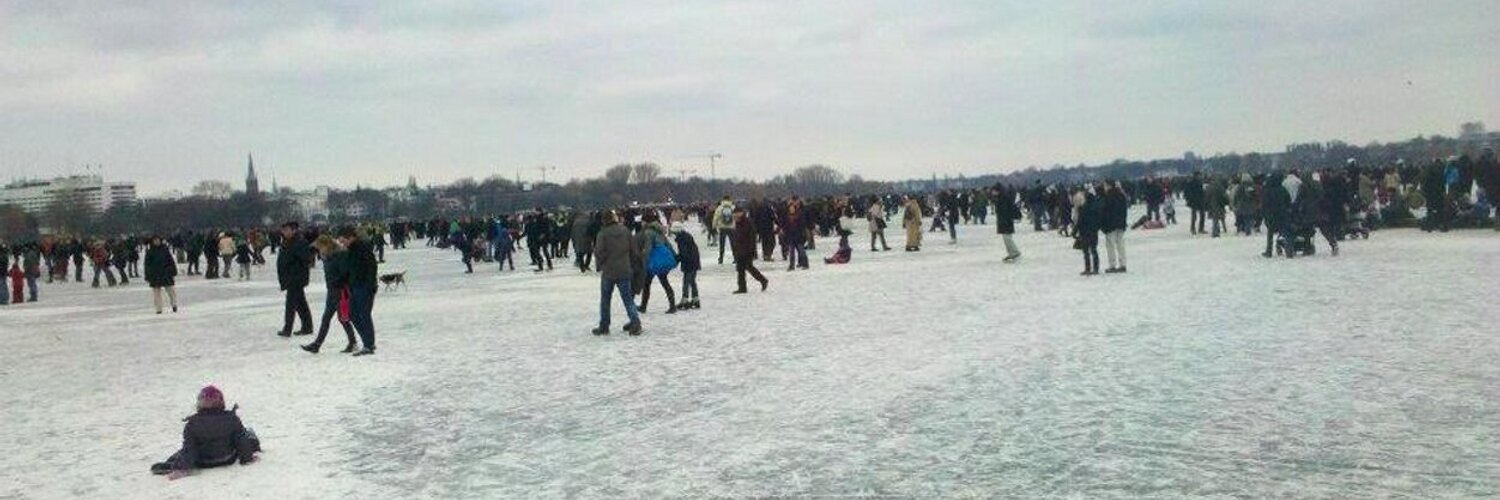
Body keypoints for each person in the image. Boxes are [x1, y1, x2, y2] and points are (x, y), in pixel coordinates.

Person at [150, 386, 260, 479]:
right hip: (227, 458)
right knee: (247, 435)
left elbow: (190, 449)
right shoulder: (232, 418)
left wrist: (182, 469)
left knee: (183, 451)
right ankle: (254, 445)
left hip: (203, 461)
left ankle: (174, 464)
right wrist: (247, 459)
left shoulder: (192, 424)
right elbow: (241, 441)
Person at [304, 235, 359, 354]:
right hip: (332, 291)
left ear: (327, 245)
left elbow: (345, 273)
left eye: (320, 247)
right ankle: (351, 342)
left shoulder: (339, 255)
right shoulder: (326, 257)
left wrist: (338, 283)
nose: (319, 250)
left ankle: (318, 344)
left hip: (340, 291)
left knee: (338, 318)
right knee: (336, 318)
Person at [592, 211, 642, 335]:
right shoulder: (625, 231)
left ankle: (604, 325)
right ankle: (635, 322)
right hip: (624, 269)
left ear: (604, 220)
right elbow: (633, 250)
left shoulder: (603, 233)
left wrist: (600, 263)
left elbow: (599, 252)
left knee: (605, 300)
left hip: (609, 271)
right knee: (628, 299)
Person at [340, 227, 379, 356]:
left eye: (344, 241)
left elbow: (372, 267)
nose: (342, 244)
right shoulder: (350, 251)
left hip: (364, 286)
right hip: (354, 286)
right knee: (352, 314)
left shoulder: (363, 248)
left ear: (351, 237)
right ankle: (368, 341)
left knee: (364, 315)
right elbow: (349, 269)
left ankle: (368, 345)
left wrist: (370, 285)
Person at [276, 223, 315, 337]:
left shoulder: (299, 242)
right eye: (283, 230)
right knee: (300, 303)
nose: (284, 232)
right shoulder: (286, 242)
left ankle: (287, 329)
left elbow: (306, 258)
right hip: (290, 277)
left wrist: (293, 269)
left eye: (287, 230)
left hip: (296, 278)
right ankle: (307, 327)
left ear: (294, 230)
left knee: (290, 304)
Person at [637, 213, 678, 314]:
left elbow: (648, 248)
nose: (641, 223)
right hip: (662, 260)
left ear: (646, 222)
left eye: (642, 221)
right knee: (664, 282)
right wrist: (674, 256)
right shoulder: (659, 230)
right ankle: (672, 305)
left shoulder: (648, 232)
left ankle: (643, 306)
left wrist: (643, 260)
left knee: (647, 283)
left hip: (654, 262)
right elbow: (667, 244)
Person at [731, 208, 768, 294]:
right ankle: (742, 287)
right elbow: (737, 235)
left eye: (736, 215)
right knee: (740, 269)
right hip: (740, 249)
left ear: (740, 213)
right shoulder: (738, 223)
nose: (735, 217)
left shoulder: (748, 222)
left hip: (747, 249)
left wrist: (751, 249)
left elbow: (752, 237)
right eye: (734, 216)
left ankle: (763, 280)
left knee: (749, 267)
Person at [144, 236, 179, 314]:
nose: (157, 242)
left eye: (158, 240)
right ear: (152, 242)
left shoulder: (165, 250)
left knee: (171, 291)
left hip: (166, 273)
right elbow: (147, 265)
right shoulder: (150, 252)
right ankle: (158, 309)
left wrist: (173, 270)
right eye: (155, 240)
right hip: (155, 274)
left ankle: (174, 305)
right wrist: (147, 275)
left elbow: (171, 261)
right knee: (156, 293)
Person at [1102, 181, 1129, 273]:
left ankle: (1112, 265)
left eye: (1105, 186)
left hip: (1111, 225)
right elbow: (1124, 211)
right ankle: (1123, 264)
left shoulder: (1107, 197)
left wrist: (1104, 225)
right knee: (1120, 245)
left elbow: (1106, 212)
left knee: (1110, 245)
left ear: (1108, 186)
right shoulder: (1122, 196)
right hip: (1121, 224)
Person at [1074, 187, 1102, 276]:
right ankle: (1096, 268)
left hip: (1084, 232)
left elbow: (1080, 221)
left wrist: (1074, 231)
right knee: (1094, 250)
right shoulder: (1096, 208)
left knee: (1086, 252)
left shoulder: (1083, 208)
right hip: (1093, 232)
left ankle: (1087, 268)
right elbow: (1099, 220)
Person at [672, 227, 701, 310]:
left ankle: (685, 300)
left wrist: (676, 259)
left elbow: (683, 253)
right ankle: (695, 299)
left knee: (686, 281)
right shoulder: (687, 236)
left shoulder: (681, 239)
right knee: (692, 281)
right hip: (694, 261)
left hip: (689, 263)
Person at [993, 184, 1022, 262]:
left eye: (994, 190)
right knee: (1006, 238)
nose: (993, 192)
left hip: (1006, 221)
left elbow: (1005, 211)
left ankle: (1015, 252)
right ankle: (1011, 253)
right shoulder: (1001, 198)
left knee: (1007, 238)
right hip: (1005, 221)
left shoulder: (1003, 199)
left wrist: (1004, 221)